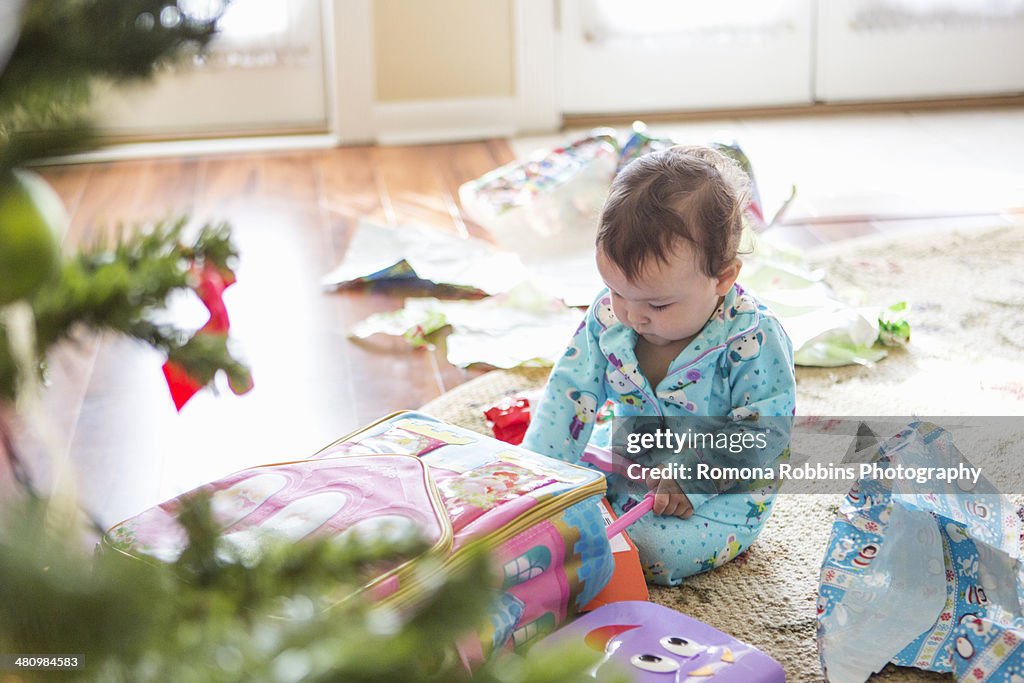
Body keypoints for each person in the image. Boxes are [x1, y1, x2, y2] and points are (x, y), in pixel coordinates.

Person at [521, 145, 796, 586]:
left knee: (648, 550)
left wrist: (693, 479)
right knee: (553, 510)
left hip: (718, 499)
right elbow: (570, 394)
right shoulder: (609, 318)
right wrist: (534, 484)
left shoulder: (753, 338)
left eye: (658, 303)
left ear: (723, 278)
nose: (634, 315)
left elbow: (765, 432)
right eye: (616, 291)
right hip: (628, 465)